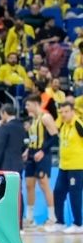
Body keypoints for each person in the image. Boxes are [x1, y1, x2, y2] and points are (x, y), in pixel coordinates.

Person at [47, 101, 83, 232]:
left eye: (66, 111)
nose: (64, 114)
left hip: (77, 167)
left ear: (73, 111)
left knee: (75, 195)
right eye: (61, 112)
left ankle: (78, 224)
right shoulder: (63, 125)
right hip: (64, 166)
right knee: (58, 193)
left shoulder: (78, 124)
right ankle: (60, 222)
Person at [24, 97, 56, 228]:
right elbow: (34, 138)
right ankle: (30, 218)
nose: (26, 107)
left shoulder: (45, 117)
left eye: (28, 104)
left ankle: (52, 217)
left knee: (44, 184)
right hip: (32, 155)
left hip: (43, 155)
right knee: (29, 185)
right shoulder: (33, 120)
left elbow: (54, 136)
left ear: (36, 104)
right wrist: (28, 150)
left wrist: (42, 151)